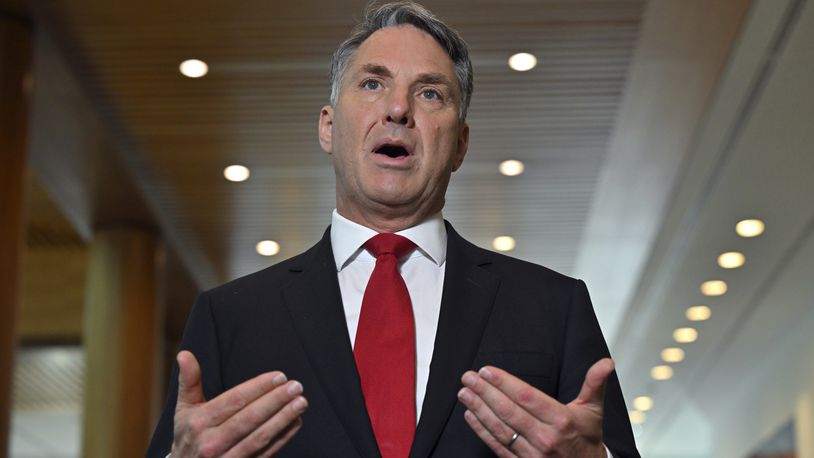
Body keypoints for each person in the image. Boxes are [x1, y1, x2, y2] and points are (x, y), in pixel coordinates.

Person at [146, 2, 640, 457]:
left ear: (461, 144)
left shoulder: (554, 306)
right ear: (327, 126)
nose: (398, 109)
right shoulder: (229, 317)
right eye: (372, 84)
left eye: (429, 93)